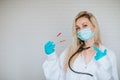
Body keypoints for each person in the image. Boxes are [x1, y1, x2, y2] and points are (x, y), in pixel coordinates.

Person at [42, 11, 119, 80]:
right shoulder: (69, 52)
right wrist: (51, 57)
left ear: (94, 27)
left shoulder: (109, 54)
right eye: (77, 28)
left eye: (85, 25)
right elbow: (56, 77)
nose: (81, 30)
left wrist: (104, 63)